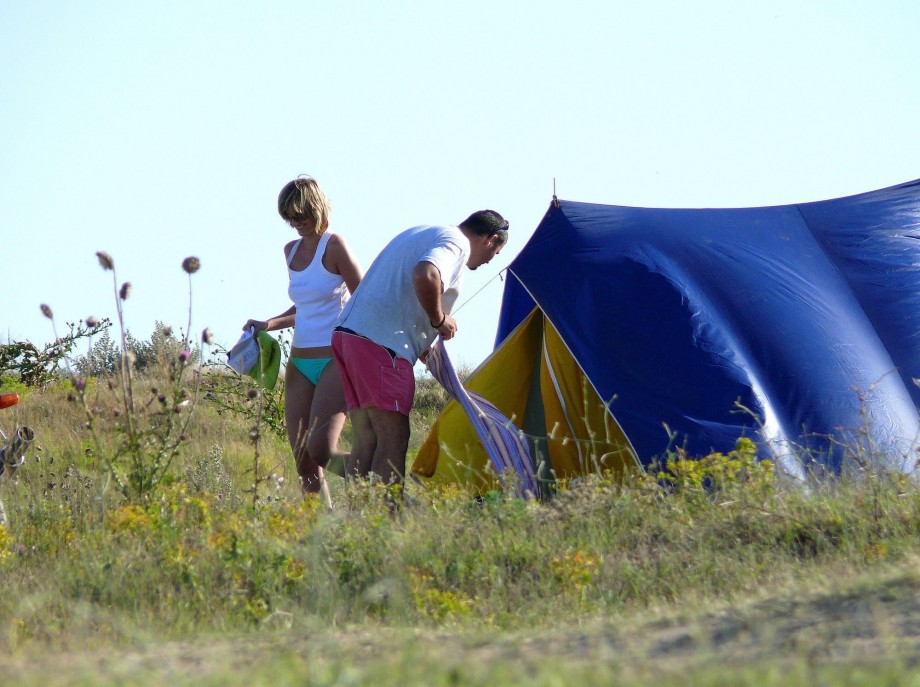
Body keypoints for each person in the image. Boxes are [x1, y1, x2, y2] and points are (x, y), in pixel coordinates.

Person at [331, 209, 508, 489]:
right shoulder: (457, 243)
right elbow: (425, 274)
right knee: (394, 439)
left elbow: (399, 291)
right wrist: (439, 320)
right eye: (494, 254)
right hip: (381, 345)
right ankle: (388, 520)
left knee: (367, 440)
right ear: (492, 239)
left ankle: (359, 522)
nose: (488, 262)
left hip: (349, 336)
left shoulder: (426, 232)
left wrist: (423, 342)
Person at [244, 176, 362, 496]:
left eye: (301, 215)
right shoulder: (291, 251)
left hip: (335, 359)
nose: (296, 223)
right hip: (300, 362)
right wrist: (266, 324)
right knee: (304, 461)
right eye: (290, 218)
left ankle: (383, 478)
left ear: (317, 208)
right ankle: (320, 533)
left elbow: (363, 300)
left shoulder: (335, 245)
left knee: (322, 448)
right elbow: (303, 307)